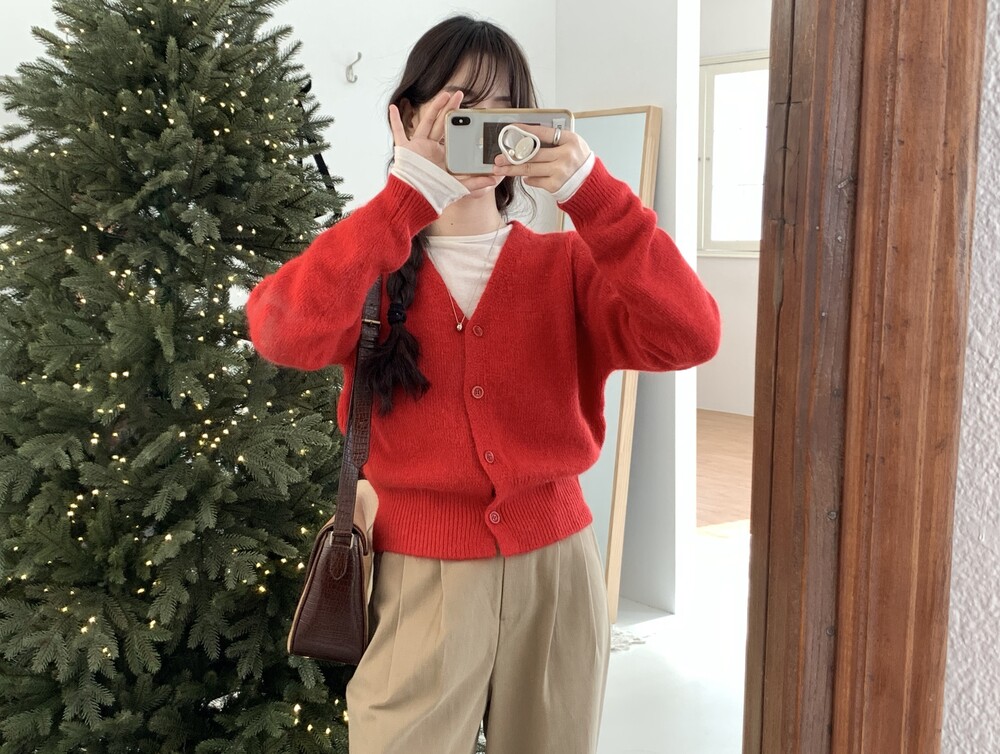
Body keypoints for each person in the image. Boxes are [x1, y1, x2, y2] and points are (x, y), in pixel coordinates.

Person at [246, 14, 721, 754]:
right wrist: (407, 196)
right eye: (459, 107)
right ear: (407, 119)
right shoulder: (368, 263)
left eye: (503, 110)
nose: (481, 128)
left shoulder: (566, 265)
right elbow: (280, 332)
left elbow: (691, 335)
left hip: (557, 569)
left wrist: (594, 195)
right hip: (419, 573)